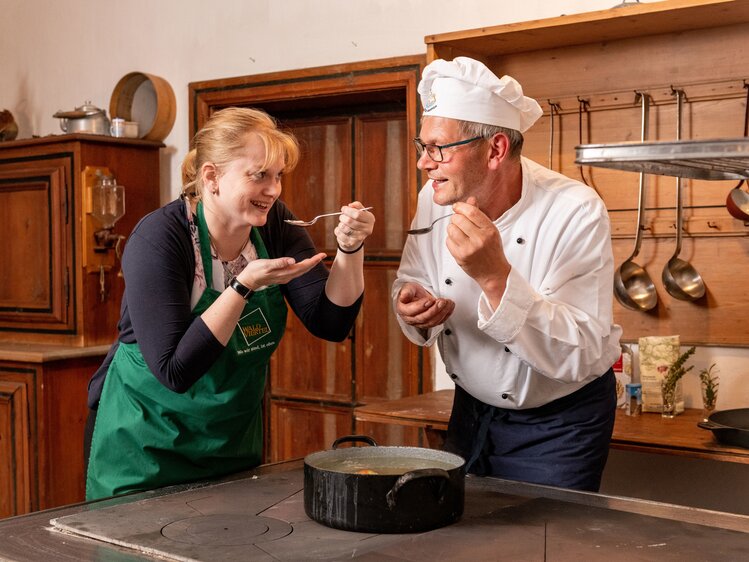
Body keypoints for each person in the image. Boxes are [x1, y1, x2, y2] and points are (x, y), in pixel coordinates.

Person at [85, 107, 374, 500]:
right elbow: (175, 370)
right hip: (145, 446)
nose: (273, 190)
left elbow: (330, 322)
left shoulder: (273, 225)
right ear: (211, 176)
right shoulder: (160, 239)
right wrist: (243, 285)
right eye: (259, 175)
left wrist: (350, 248)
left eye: (278, 176)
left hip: (230, 445)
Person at [392, 57, 622, 492]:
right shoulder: (434, 194)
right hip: (470, 409)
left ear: (495, 149)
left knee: (543, 545)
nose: (425, 163)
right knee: (465, 540)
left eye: (439, 148)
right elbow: (412, 275)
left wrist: (495, 278)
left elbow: (584, 350)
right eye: (421, 146)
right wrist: (411, 302)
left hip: (559, 424)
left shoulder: (575, 209)